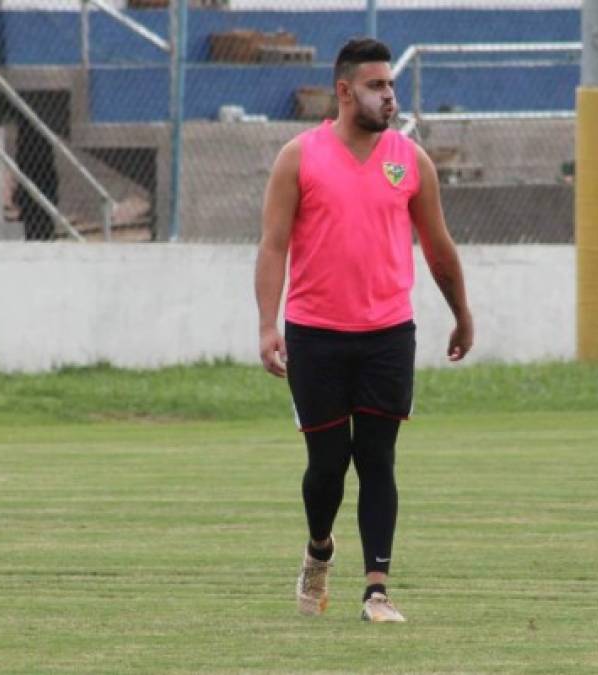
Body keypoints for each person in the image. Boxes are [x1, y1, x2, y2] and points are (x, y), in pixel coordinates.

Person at [254, 37, 473, 623]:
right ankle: (319, 550)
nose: (390, 98)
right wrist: (266, 325)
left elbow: (438, 247)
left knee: (377, 457)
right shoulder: (299, 157)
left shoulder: (411, 160)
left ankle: (377, 589)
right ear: (345, 91)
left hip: (387, 335)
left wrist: (462, 312)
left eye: (392, 86)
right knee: (327, 467)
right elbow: (274, 245)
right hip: (315, 335)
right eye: (377, 87)